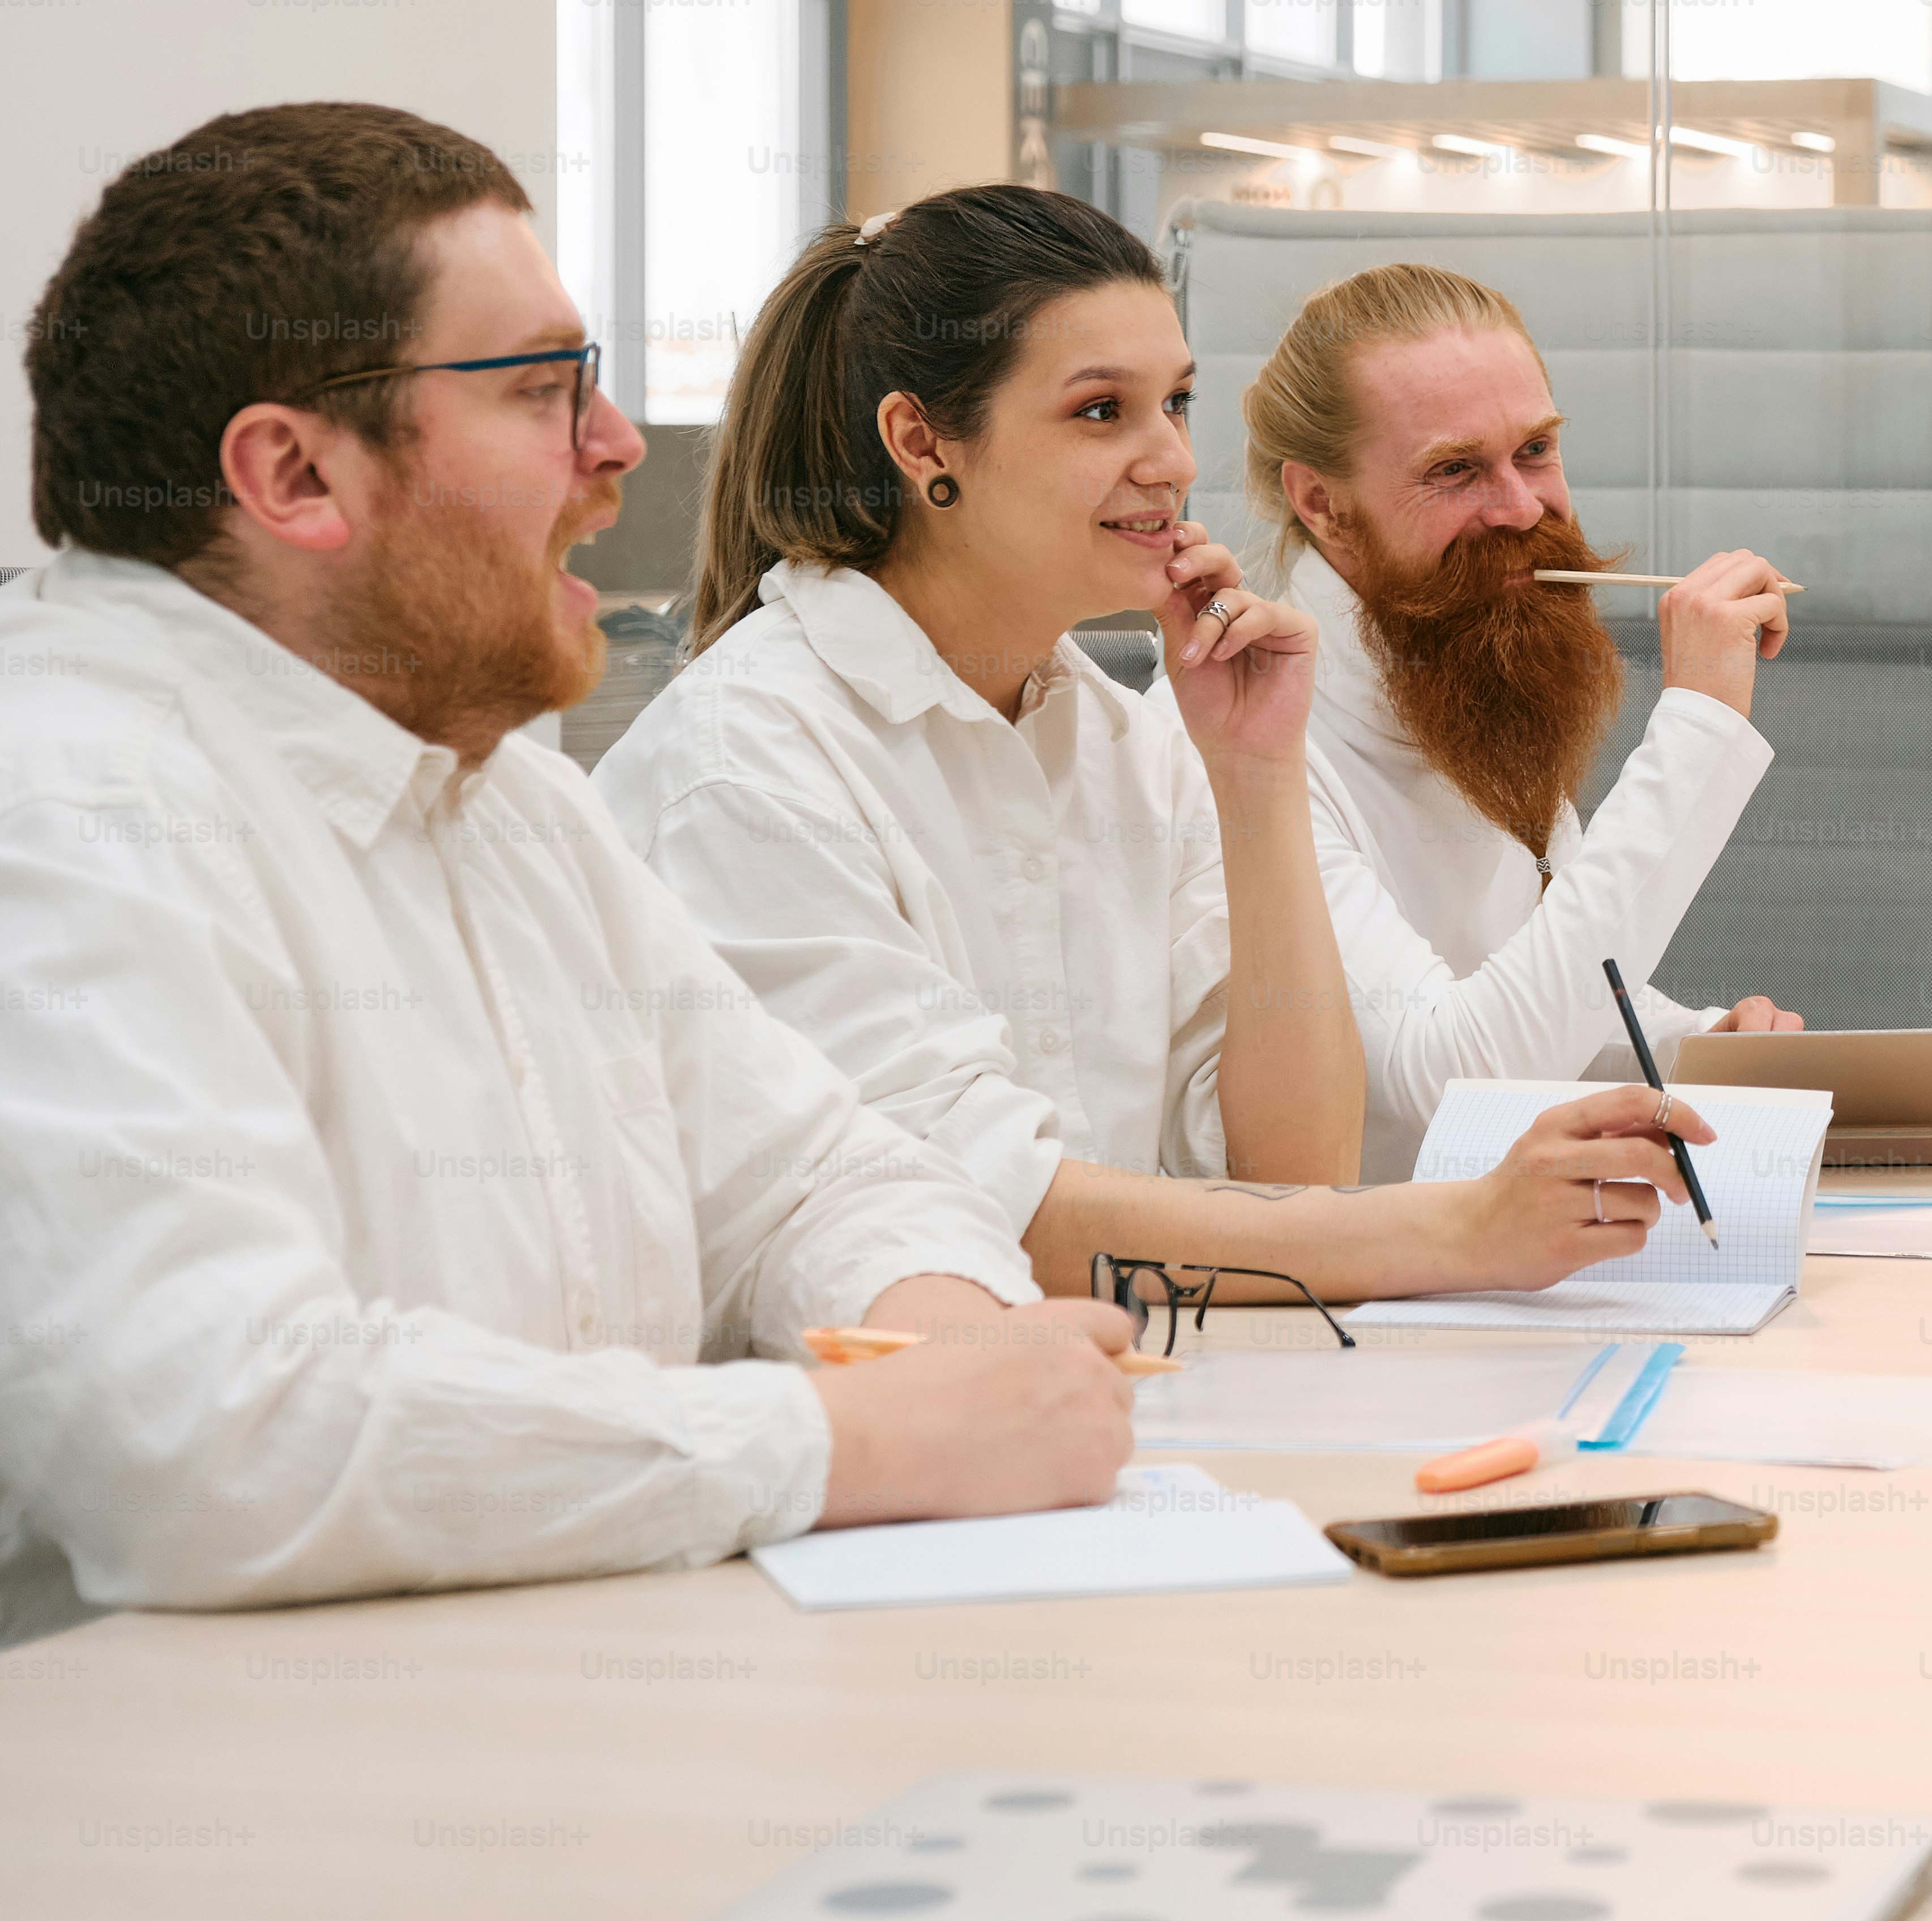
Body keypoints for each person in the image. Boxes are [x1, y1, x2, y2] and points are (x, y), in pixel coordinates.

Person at [0, 104, 1143, 1646]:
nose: (615, 451)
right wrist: (852, 1438)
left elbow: (818, 1174)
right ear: (293, 474)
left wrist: (944, 1342)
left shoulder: (515, 801)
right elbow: (217, 1435)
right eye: (544, 392)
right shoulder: (66, 807)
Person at [595, 190, 1706, 1315]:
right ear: (922, 441)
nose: (1171, 459)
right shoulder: (748, 762)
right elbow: (976, 1214)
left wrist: (1257, 779)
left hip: (1132, 1416)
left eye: (1174, 402)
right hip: (912, 1456)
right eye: (1098, 413)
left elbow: (1292, 1167)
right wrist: (1455, 1228)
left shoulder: (1129, 741)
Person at [1243, 264, 1806, 1182]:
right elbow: (1450, 1079)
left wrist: (1695, 1047)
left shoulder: (1456, 661)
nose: (1521, 507)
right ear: (1321, 504)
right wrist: (1699, 727)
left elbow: (1547, 1010)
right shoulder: (1249, 743)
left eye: (1536, 451)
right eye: (1455, 470)